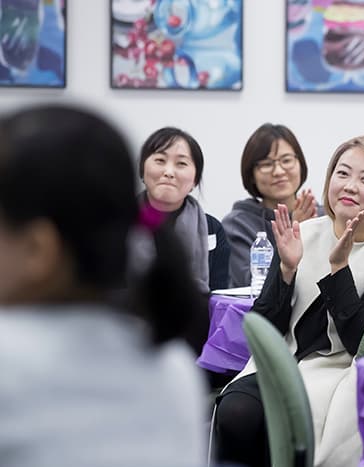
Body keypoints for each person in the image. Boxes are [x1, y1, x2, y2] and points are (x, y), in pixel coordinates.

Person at [0, 105, 207, 466]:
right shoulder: (174, 370)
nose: (170, 171)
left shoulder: (11, 362)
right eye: (160, 159)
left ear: (38, 249)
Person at [214, 135, 364, 467]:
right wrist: (285, 268)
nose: (350, 186)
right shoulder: (305, 232)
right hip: (283, 362)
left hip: (342, 373)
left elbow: (363, 342)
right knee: (236, 413)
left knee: (287, 428)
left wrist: (339, 269)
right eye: (342, 173)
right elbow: (263, 327)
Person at [222, 123, 319, 288]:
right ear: (251, 174)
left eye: (286, 160)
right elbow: (248, 283)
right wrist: (295, 231)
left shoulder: (321, 215)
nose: (279, 171)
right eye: (267, 164)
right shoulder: (237, 224)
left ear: (300, 163)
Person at [136, 126, 209, 294]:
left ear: (195, 180)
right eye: (160, 160)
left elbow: (219, 295)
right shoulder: (120, 222)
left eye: (181, 164)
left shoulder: (213, 229)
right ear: (142, 169)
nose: (169, 172)